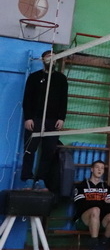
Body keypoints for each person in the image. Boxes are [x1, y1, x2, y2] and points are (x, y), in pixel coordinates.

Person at [21, 50, 68, 190]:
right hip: (35, 119)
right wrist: (28, 118)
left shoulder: (61, 79)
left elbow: (63, 100)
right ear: (43, 60)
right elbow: (27, 99)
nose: (51, 60)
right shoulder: (34, 77)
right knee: (29, 150)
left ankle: (41, 179)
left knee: (48, 151)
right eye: (48, 57)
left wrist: (61, 118)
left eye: (53, 57)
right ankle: (27, 178)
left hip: (52, 121)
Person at [72, 159, 110, 250]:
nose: (99, 170)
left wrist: (93, 202)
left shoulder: (106, 187)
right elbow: (81, 205)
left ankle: (103, 243)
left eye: (102, 168)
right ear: (92, 169)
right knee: (95, 210)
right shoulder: (81, 186)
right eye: (97, 167)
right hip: (84, 220)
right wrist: (102, 202)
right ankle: (94, 244)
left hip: (102, 219)